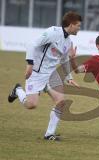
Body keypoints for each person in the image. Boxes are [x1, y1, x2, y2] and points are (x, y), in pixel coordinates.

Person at [8, 11, 82, 141]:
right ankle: (18, 90)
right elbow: (31, 44)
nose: (79, 28)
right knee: (31, 105)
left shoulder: (68, 42)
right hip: (36, 73)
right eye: (78, 25)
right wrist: (30, 65)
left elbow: (64, 60)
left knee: (61, 102)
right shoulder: (53, 32)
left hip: (51, 76)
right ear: (71, 25)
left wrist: (69, 78)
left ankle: (49, 134)